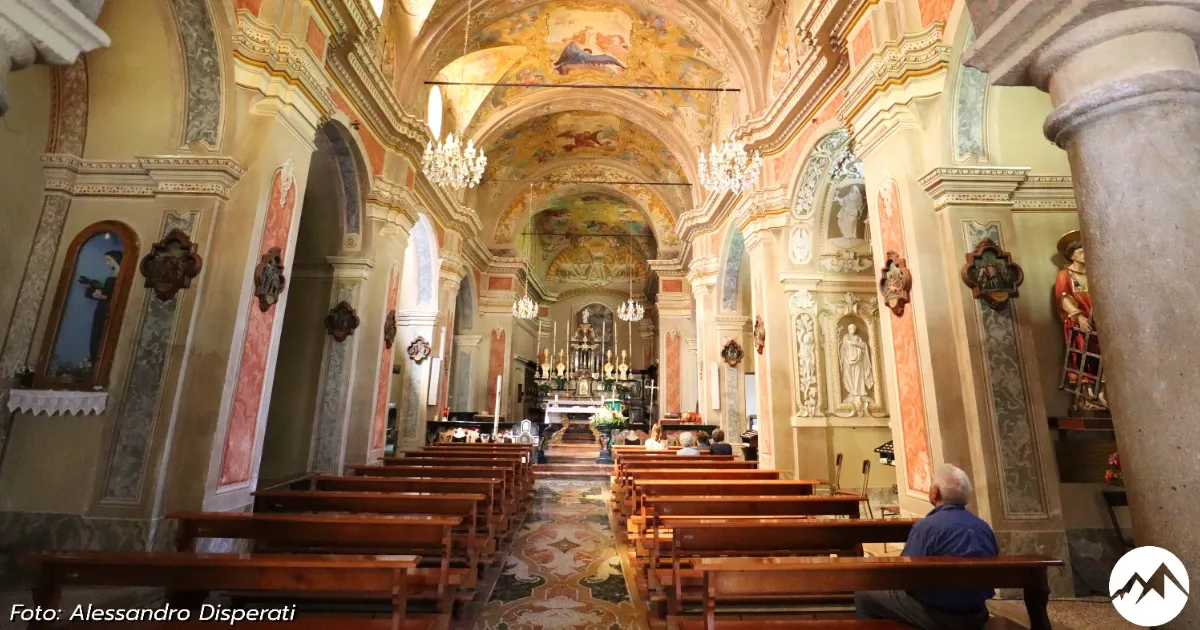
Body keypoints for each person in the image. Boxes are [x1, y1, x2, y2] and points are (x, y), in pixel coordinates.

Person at [855, 464, 998, 630]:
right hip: (977, 614)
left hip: (938, 616)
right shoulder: (983, 527)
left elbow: (903, 576)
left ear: (935, 492)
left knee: (863, 595)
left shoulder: (926, 528)